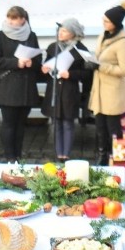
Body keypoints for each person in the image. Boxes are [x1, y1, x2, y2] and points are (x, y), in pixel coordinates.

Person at [0, 5, 42, 162]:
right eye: (9, 18)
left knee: (21, 124)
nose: (10, 21)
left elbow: (38, 61)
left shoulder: (31, 36)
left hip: (26, 88)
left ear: (22, 19)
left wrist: (31, 63)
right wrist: (15, 63)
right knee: (9, 123)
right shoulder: (0, 36)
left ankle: (18, 155)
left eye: (14, 18)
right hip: (7, 87)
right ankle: (9, 156)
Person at [88, 2, 125, 165]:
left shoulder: (123, 43)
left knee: (112, 127)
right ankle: (102, 155)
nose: (104, 23)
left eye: (107, 21)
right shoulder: (103, 35)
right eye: (103, 20)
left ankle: (116, 157)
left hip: (112, 91)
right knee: (99, 125)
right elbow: (99, 56)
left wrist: (101, 66)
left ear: (116, 22)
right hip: (99, 88)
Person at [41, 17, 88, 161]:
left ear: (73, 33)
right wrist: (44, 68)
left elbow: (86, 73)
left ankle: (65, 154)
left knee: (68, 122)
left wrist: (71, 74)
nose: (61, 33)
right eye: (60, 30)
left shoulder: (80, 50)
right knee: (57, 122)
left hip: (69, 91)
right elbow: (45, 65)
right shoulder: (52, 47)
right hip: (54, 89)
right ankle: (58, 153)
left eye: (65, 31)